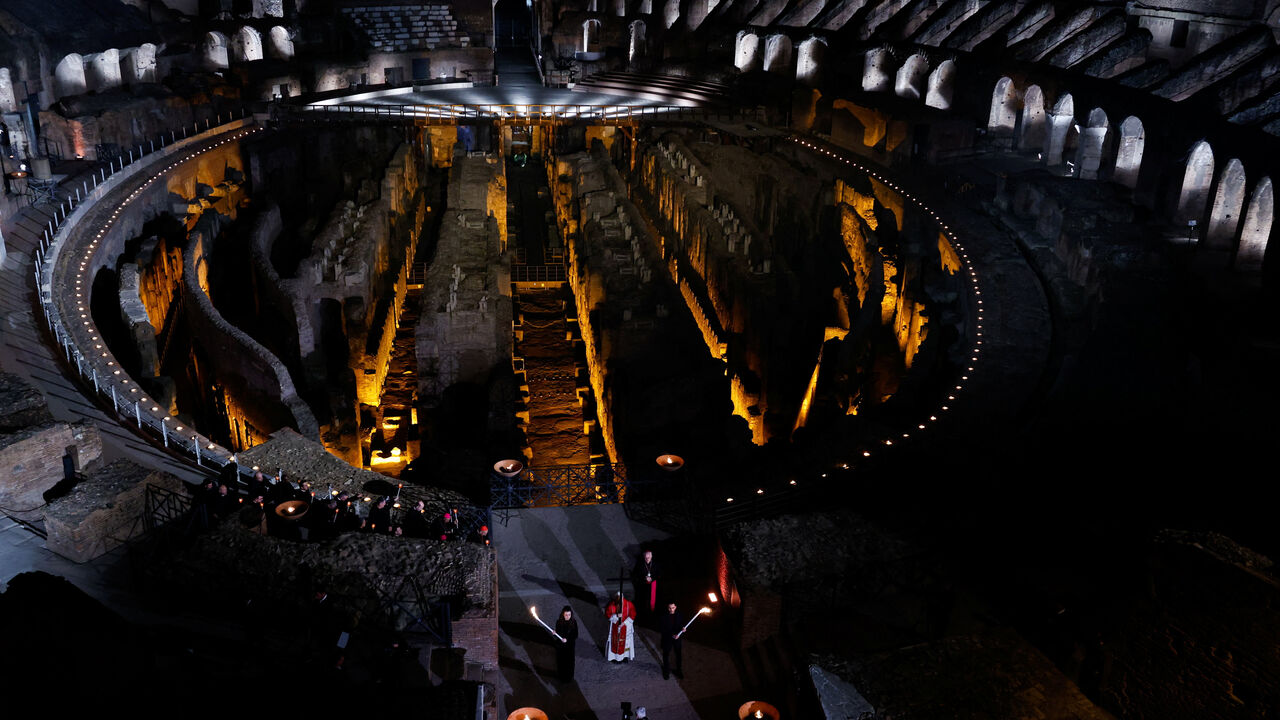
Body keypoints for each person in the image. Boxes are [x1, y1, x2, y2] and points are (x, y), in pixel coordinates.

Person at [605, 592, 636, 662]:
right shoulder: (612, 605)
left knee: (626, 643)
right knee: (615, 641)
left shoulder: (629, 604)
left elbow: (633, 614)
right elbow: (608, 614)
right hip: (615, 628)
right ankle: (615, 658)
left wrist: (624, 623)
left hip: (626, 628)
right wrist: (615, 617)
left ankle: (625, 657)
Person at [659, 602, 684, 679]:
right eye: (670, 608)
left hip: (677, 639)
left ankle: (678, 671)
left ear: (675, 607)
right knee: (666, 655)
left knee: (678, 655)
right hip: (667, 639)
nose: (671, 609)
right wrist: (672, 635)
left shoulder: (679, 615)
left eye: (673, 607)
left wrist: (683, 629)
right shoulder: (664, 617)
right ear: (668, 608)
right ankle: (666, 671)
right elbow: (662, 629)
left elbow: (680, 625)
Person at [554, 605, 579, 682]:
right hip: (561, 647)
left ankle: (569, 678)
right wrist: (555, 633)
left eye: (569, 615)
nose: (568, 616)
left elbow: (575, 635)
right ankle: (561, 677)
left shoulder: (573, 622)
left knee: (569, 663)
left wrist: (567, 639)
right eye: (566, 615)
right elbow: (558, 633)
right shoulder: (559, 622)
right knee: (561, 662)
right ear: (563, 614)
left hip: (569, 647)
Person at [632, 550, 659, 615]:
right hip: (642, 586)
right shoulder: (640, 565)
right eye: (646, 558)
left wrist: (652, 578)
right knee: (643, 601)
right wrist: (644, 578)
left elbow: (659, 574)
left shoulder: (655, 564)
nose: (647, 559)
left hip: (653, 584)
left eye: (648, 557)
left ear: (651, 556)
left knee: (653, 601)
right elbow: (636, 574)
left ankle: (652, 613)